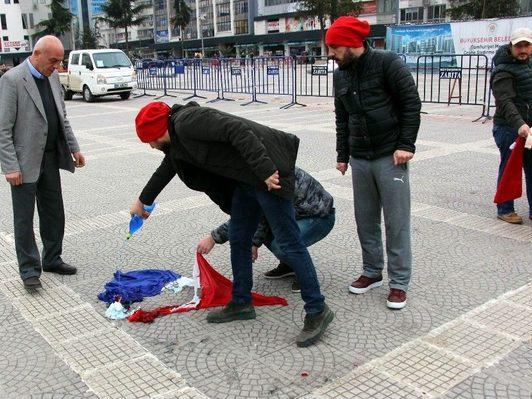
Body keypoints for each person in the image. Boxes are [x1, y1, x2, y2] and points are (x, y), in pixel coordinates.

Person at [131, 101, 334, 348]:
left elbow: (234, 128)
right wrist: (143, 200)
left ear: (156, 130)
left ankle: (317, 310)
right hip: (246, 180)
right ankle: (241, 302)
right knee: (239, 239)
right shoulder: (177, 139)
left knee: (290, 243)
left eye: (149, 140)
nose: (151, 146)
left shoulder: (187, 122)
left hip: (269, 175)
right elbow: (168, 167)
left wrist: (264, 169)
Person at [327, 16, 421, 310]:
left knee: (396, 222)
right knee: (365, 219)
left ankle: (399, 282)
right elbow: (343, 117)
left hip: (390, 155)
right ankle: (372, 272)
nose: (330, 53)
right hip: (360, 157)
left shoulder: (388, 63)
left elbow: (411, 104)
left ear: (353, 43)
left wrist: (406, 145)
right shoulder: (340, 74)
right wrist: (343, 154)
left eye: (335, 47)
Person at [0, 35, 86, 289]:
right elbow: (1, 129)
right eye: (53, 61)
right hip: (23, 165)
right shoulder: (12, 80)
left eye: (59, 61)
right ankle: (29, 270)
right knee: (24, 220)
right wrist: (10, 166)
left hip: (51, 158)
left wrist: (74, 148)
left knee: (54, 213)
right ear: (36, 54)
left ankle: (52, 258)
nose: (56, 66)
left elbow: (62, 118)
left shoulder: (53, 77)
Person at [196, 167, 335, 293]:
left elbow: (249, 215)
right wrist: (254, 242)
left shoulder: (264, 175)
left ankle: (305, 274)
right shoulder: (254, 171)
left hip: (318, 217)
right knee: (268, 232)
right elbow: (260, 215)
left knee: (282, 244)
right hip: (295, 214)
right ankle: (289, 265)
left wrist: (213, 237)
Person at [491, 27, 532, 225]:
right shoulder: (503, 71)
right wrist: (520, 124)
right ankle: (504, 209)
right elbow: (505, 102)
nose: (523, 50)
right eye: (519, 46)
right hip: (509, 128)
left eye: (526, 45)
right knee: (509, 169)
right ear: (511, 46)